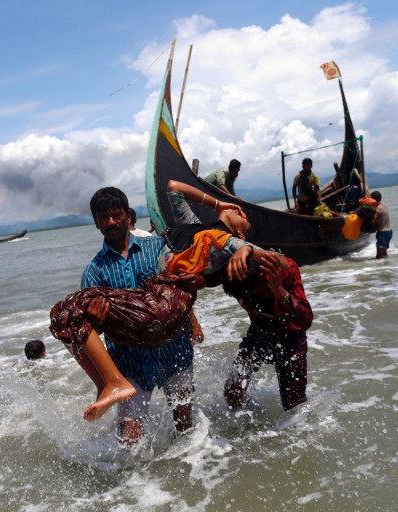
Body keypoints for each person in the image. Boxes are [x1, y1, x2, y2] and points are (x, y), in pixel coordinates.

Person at [50, 181, 279, 444]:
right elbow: (92, 328)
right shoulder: (94, 272)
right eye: (104, 217)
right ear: (96, 223)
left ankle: (192, 471)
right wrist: (97, 321)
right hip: (129, 361)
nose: (112, 221)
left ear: (128, 215)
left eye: (116, 214)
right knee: (128, 441)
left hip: (174, 351)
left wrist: (195, 311)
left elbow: (182, 284)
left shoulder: (158, 247)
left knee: (186, 428)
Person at [223, 252, 313, 412]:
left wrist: (278, 289)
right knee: (232, 393)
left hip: (291, 334)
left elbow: (305, 320)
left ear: (262, 276)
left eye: (251, 293)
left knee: (294, 406)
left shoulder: (286, 269)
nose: (246, 299)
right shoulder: (236, 273)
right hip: (260, 331)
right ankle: (252, 420)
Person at [370, 191, 392, 259]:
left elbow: (374, 220)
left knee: (379, 257)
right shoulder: (384, 206)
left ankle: (379, 268)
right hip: (389, 231)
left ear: (373, 200)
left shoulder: (379, 208)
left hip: (383, 232)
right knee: (384, 255)